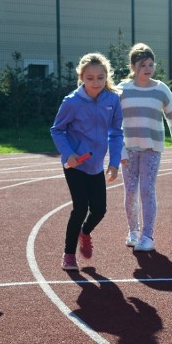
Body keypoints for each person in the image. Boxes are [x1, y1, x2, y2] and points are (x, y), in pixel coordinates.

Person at [51, 53, 123, 271]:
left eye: (100, 77)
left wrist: (114, 161)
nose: (96, 83)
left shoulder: (112, 99)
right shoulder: (72, 102)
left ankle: (85, 231)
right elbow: (57, 130)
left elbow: (116, 132)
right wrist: (68, 154)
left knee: (99, 210)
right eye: (90, 78)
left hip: (96, 165)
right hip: (75, 164)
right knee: (80, 207)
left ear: (107, 76)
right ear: (82, 77)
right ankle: (69, 254)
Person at [118, 43, 172, 253]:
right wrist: (117, 149)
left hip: (152, 149)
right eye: (142, 65)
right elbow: (112, 122)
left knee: (146, 190)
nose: (147, 68)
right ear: (132, 66)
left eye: (150, 64)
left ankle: (148, 236)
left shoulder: (161, 89)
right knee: (130, 192)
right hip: (128, 149)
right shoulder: (122, 90)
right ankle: (133, 231)